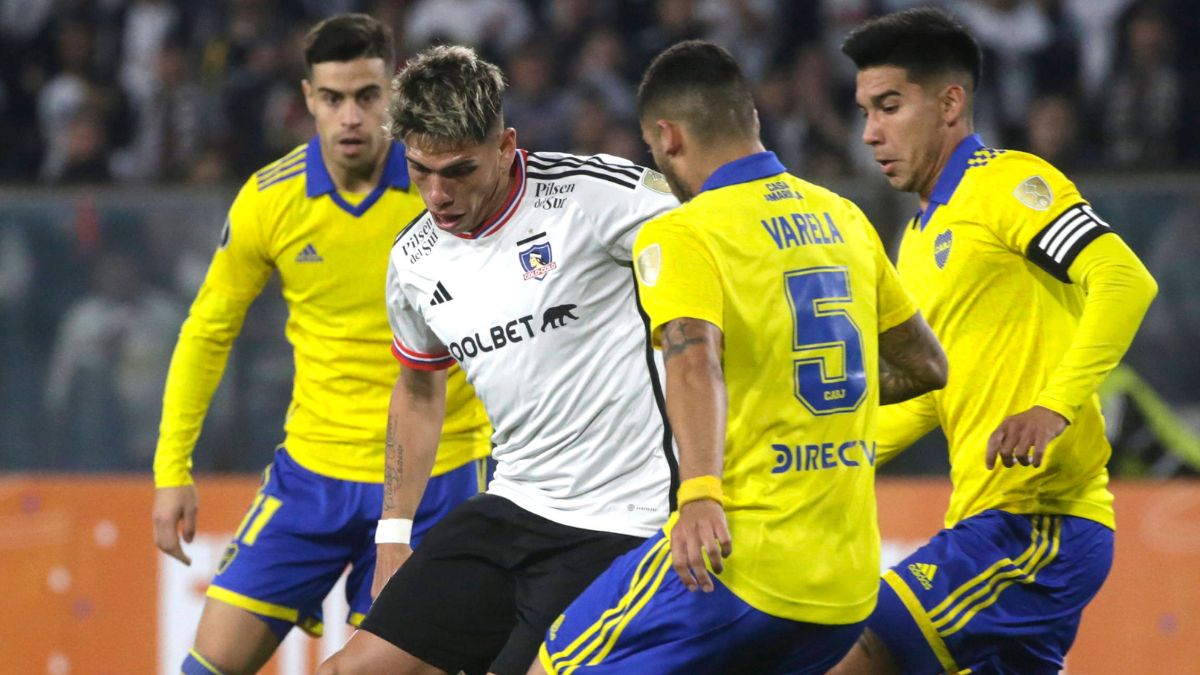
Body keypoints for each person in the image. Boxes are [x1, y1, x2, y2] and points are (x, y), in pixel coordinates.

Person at [532, 40, 949, 675]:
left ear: (668, 138)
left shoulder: (686, 230)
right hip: (845, 587)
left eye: (653, 150)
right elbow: (927, 367)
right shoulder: (845, 218)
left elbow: (692, 358)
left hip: (738, 562)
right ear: (748, 119)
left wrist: (700, 494)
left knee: (552, 662)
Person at [317, 44, 680, 675]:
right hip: (510, 506)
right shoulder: (413, 261)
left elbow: (718, 236)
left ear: (506, 145)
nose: (437, 194)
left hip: (627, 518)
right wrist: (394, 531)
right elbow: (419, 389)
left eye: (458, 170)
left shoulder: (597, 198)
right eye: (419, 171)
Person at [150, 15, 492, 675]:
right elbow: (206, 331)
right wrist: (172, 470)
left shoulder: (444, 188)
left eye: (367, 95)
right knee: (206, 665)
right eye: (333, 99)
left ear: (393, 93)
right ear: (308, 99)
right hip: (311, 472)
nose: (351, 116)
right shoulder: (269, 201)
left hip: (434, 478)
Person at [832, 8, 1158, 674]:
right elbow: (933, 391)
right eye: (865, 111)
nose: (871, 133)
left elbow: (1125, 279)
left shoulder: (1006, 183)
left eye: (890, 106)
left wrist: (1053, 406)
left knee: (854, 646)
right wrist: (830, 453)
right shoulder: (918, 239)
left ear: (951, 102)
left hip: (1041, 521)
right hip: (990, 518)